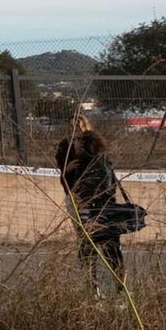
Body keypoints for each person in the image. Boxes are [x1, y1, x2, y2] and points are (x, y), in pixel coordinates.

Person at [57, 118, 125, 296]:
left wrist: (85, 200)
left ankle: (118, 288)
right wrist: (67, 172)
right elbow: (65, 178)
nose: (76, 143)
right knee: (92, 247)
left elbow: (103, 187)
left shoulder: (97, 162)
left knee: (103, 247)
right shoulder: (67, 148)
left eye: (80, 141)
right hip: (84, 206)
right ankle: (96, 288)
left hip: (95, 209)